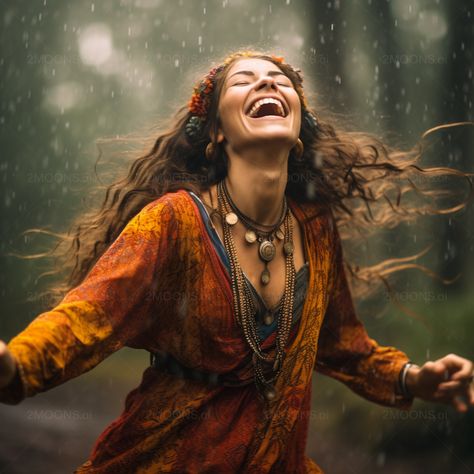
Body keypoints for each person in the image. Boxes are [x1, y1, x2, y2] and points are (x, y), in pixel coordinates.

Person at [0, 49, 473, 473]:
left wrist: (414, 379)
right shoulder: (172, 222)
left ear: (299, 130)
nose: (267, 82)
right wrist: (16, 364)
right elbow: (88, 318)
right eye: (244, 79)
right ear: (216, 132)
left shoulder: (316, 229)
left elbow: (343, 347)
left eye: (279, 78)